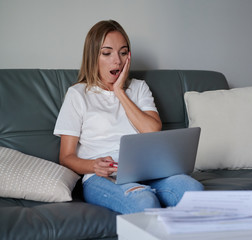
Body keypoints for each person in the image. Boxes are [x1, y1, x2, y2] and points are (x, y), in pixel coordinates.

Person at [54, 20, 203, 214]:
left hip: (148, 171)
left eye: (123, 53)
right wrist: (93, 165)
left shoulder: (139, 88)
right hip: (102, 178)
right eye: (107, 53)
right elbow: (65, 157)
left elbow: (151, 130)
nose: (117, 61)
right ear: (93, 57)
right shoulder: (78, 94)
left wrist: (119, 92)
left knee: (194, 191)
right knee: (144, 201)